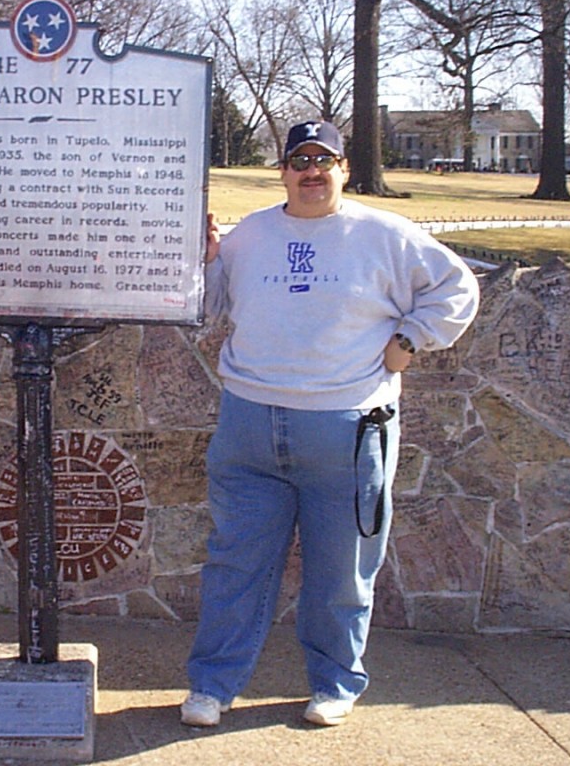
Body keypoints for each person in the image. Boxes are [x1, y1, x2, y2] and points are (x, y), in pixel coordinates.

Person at [181, 121, 479, 728]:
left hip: (347, 428)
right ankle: (212, 686)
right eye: (299, 160)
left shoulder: (386, 235)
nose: (311, 170)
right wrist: (204, 259)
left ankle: (335, 684)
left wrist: (408, 342)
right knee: (235, 564)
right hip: (249, 425)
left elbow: (457, 287)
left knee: (342, 571)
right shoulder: (250, 235)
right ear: (283, 171)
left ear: (344, 168)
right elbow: (209, 306)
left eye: (325, 160)